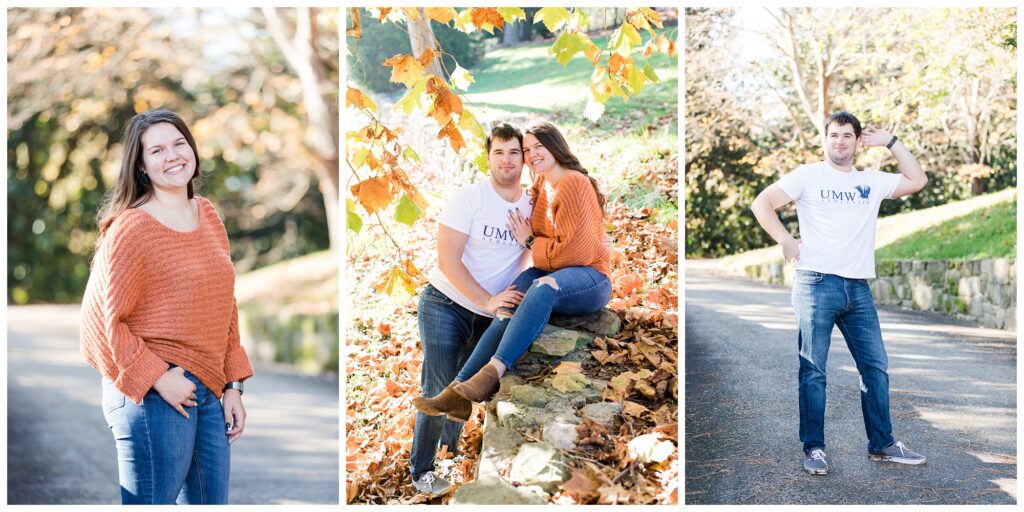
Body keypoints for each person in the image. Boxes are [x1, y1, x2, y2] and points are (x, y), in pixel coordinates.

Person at [80, 109, 254, 504]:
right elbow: (101, 324)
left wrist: (233, 384)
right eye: (156, 150)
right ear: (141, 166)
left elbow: (224, 304)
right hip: (150, 394)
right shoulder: (131, 228)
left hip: (209, 390)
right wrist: (156, 377)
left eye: (179, 143)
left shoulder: (207, 214)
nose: (173, 155)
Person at [412, 120, 612, 449]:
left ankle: (494, 369)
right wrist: (538, 248)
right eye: (528, 149)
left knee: (543, 286)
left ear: (555, 146)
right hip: (551, 276)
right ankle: (457, 392)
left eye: (536, 148)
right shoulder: (541, 191)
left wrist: (532, 241)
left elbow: (575, 254)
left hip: (591, 277)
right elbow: (550, 255)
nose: (531, 155)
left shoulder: (573, 183)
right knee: (516, 294)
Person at [750, 111, 929, 476]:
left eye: (848, 136)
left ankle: (882, 443)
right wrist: (785, 239)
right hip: (816, 283)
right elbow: (761, 203)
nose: (840, 142)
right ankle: (814, 448)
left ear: (858, 141)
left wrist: (892, 143)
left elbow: (918, 179)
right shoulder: (808, 176)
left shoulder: (873, 181)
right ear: (825, 139)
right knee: (813, 370)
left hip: (857, 288)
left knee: (875, 367)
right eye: (834, 135)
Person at [407, 122, 533, 497]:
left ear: (524, 158)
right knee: (439, 383)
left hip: (490, 313)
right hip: (445, 304)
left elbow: (537, 253)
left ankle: (449, 449)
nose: (507, 160)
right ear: (488, 157)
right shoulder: (470, 198)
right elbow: (448, 261)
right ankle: (422, 471)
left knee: (465, 384)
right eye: (499, 152)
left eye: (514, 152)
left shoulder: (533, 203)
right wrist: (487, 301)